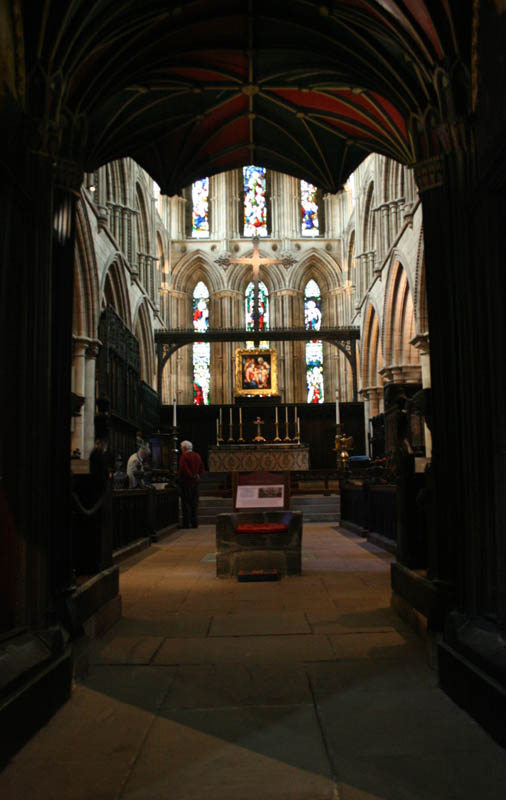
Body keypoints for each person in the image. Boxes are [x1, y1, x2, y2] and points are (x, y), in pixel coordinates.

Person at [178, 440, 205, 528]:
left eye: (181, 448)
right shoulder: (197, 455)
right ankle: (194, 523)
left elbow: (183, 469)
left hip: (186, 482)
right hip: (196, 483)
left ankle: (186, 524)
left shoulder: (184, 456)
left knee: (186, 503)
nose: (181, 449)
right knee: (194, 503)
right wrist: (198, 476)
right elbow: (202, 468)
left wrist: (190, 476)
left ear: (184, 448)